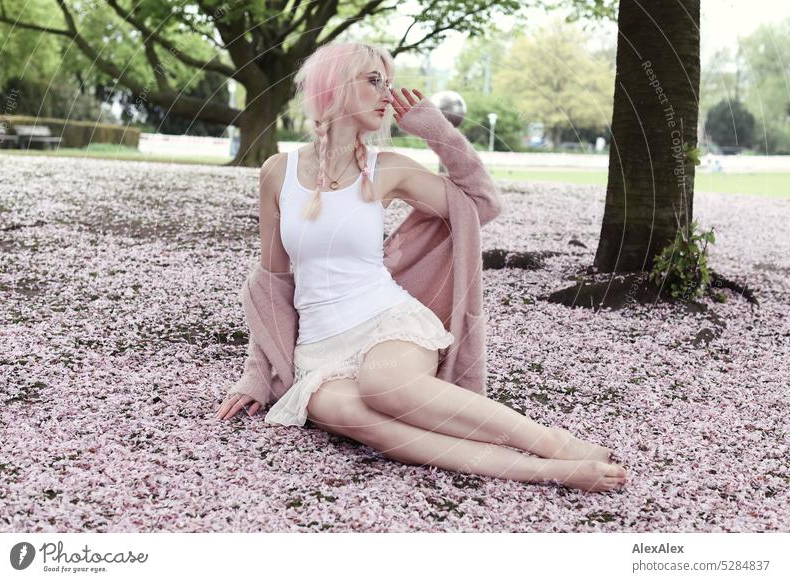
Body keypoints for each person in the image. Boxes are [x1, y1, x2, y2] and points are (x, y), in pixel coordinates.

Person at [216, 42, 627, 493]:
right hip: (319, 351)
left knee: (383, 383)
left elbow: (482, 204)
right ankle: (545, 472)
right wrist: (259, 371)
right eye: (373, 81)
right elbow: (272, 282)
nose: (387, 94)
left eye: (387, 83)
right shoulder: (278, 172)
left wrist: (437, 133)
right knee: (340, 412)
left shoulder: (387, 169)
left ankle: (555, 448)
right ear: (334, 86)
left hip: (388, 325)